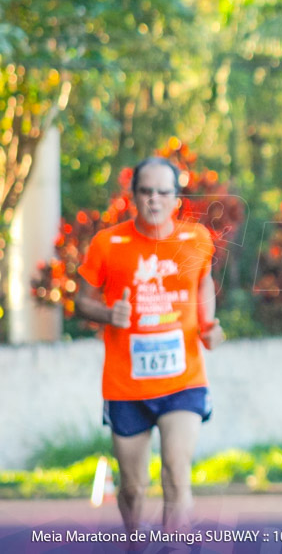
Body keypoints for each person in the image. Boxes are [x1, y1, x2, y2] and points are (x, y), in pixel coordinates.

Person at [75, 156, 225, 534]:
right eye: (146, 192)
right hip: (126, 386)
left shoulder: (197, 239)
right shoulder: (108, 244)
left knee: (176, 476)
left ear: (176, 198)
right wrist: (110, 314)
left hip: (183, 381)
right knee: (133, 488)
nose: (154, 200)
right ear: (133, 196)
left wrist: (209, 324)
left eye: (163, 192)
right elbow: (81, 301)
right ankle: (134, 541)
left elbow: (203, 282)